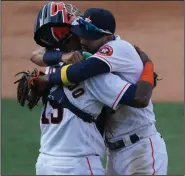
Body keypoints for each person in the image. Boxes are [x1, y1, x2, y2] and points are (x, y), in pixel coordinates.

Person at [30, 2, 161, 175]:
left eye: (86, 36)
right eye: (79, 34)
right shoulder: (89, 70)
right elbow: (38, 54)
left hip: (139, 148)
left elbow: (139, 97)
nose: (83, 39)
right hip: (98, 157)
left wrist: (46, 79)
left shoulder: (90, 65)